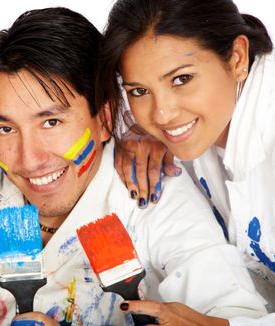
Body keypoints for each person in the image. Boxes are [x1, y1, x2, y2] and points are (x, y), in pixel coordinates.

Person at [0, 7, 268, 326]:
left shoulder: (156, 198)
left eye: (51, 123)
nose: (29, 159)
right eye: (5, 128)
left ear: (105, 118)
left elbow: (232, 312)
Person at [97, 0, 275, 321]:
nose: (162, 114)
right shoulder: (197, 125)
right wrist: (133, 133)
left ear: (237, 58)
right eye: (139, 91)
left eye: (181, 80)